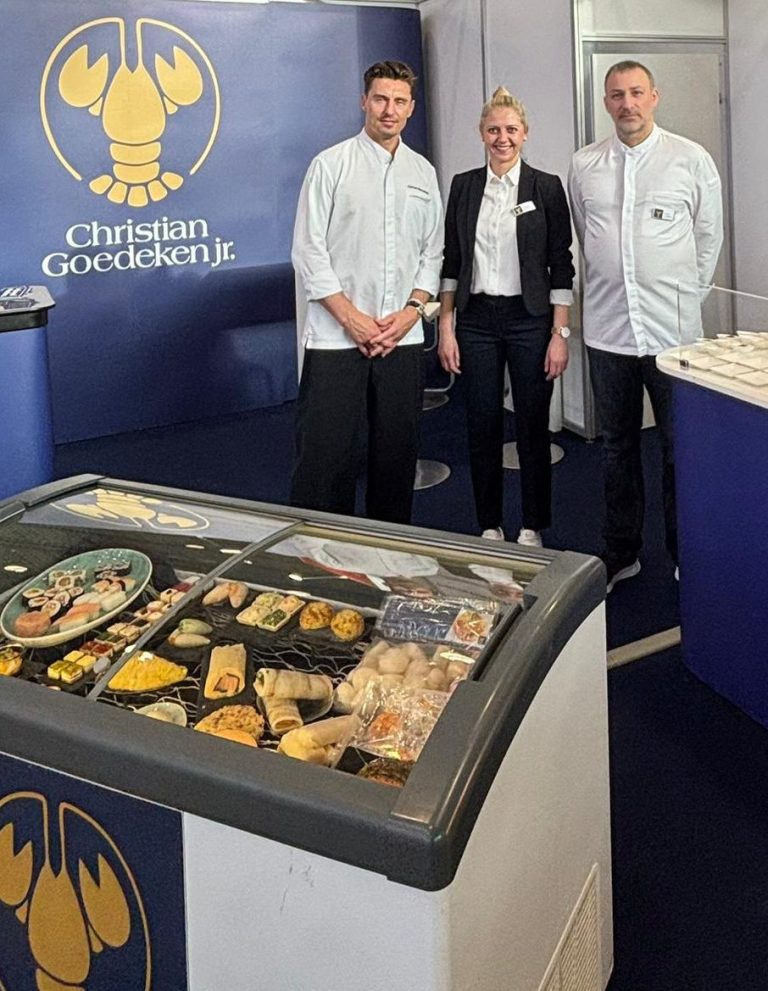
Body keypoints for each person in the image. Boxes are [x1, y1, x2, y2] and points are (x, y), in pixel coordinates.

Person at [568, 60, 723, 591]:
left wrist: (683, 299)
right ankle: (621, 552)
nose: (627, 103)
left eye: (636, 93)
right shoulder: (584, 165)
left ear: (654, 96)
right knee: (617, 448)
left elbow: (708, 238)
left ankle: (688, 553)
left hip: (673, 338)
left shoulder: (690, 159)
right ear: (605, 102)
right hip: (608, 334)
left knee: (680, 449)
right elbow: (587, 237)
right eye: (616, 95)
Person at [290, 61, 443, 525]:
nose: (389, 110)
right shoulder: (330, 165)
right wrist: (352, 319)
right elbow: (308, 252)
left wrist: (412, 312)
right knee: (325, 460)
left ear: (411, 108)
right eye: (380, 99)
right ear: (364, 101)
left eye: (399, 101)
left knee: (396, 459)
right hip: (337, 338)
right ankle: (319, 562)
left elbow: (432, 254)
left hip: (401, 337)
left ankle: (388, 558)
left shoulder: (423, 172)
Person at [438, 87, 575, 547]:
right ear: (481, 133)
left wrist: (560, 332)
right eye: (494, 130)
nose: (502, 138)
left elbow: (562, 261)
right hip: (476, 320)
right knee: (482, 424)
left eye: (511, 130)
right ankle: (489, 524)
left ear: (525, 134)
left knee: (532, 426)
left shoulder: (546, 186)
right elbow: (452, 260)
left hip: (530, 320)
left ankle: (533, 525)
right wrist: (446, 327)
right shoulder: (464, 185)